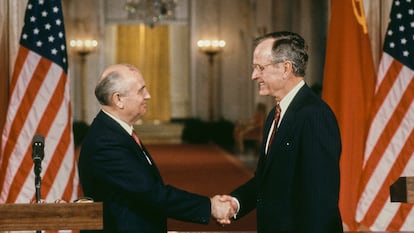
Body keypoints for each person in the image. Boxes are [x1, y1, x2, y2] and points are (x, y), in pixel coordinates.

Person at [78, 64, 233, 233]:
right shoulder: (105, 142)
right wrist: (210, 206)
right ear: (118, 99)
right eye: (141, 91)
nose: (148, 95)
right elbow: (151, 193)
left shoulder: (114, 132)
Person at [220, 31, 343, 232]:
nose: (253, 75)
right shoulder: (275, 115)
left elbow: (321, 203)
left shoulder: (315, 116)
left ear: (286, 68)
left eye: (260, 68)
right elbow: (266, 180)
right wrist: (236, 202)